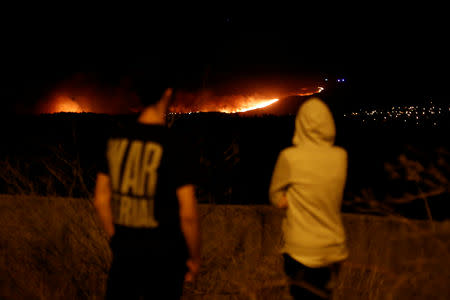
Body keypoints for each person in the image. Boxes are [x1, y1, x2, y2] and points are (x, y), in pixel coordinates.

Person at [94, 65, 201, 299]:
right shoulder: (175, 144)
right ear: (167, 94)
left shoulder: (115, 139)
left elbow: (101, 199)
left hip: (124, 258)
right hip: (165, 260)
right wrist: (193, 258)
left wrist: (117, 237)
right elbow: (188, 213)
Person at [269, 97, 348, 300]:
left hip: (300, 250)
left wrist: (290, 201)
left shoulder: (290, 157)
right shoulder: (341, 157)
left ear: (301, 123)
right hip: (333, 248)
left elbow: (275, 195)